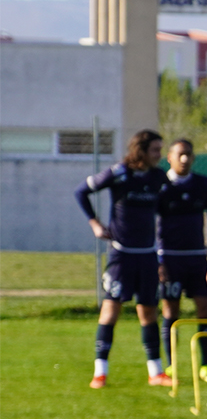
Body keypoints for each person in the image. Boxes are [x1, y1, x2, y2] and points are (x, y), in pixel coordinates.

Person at [76, 129, 169, 388]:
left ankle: (156, 373)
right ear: (141, 150)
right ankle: (100, 372)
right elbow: (81, 192)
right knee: (110, 311)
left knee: (148, 312)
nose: (159, 155)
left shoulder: (159, 177)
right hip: (122, 255)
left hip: (148, 256)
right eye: (155, 150)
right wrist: (95, 223)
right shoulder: (119, 173)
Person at [156, 138, 207, 381]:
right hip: (169, 259)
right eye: (179, 154)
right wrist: (157, 258)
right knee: (171, 311)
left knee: (204, 308)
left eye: (189, 154)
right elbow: (150, 222)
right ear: (169, 157)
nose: (184, 159)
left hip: (197, 258)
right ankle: (171, 365)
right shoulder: (161, 185)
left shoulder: (202, 184)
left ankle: (205, 365)